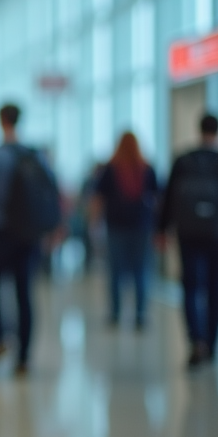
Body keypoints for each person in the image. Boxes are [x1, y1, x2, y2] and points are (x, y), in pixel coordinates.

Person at [0, 103, 59, 376]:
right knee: (25, 294)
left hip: (0, 233)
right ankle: (24, 357)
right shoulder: (35, 155)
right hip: (29, 234)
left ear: (1, 120)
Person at [158, 113, 218, 368]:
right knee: (214, 289)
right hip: (216, 233)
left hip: (188, 233)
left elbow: (168, 197)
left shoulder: (183, 161)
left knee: (191, 286)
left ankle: (196, 340)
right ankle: (210, 342)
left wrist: (162, 230)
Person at [91, 132, 158, 330]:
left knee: (115, 272)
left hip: (116, 225)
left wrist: (95, 224)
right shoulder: (147, 169)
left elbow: (97, 199)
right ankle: (140, 315)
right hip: (141, 225)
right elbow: (157, 199)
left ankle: (115, 313)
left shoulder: (110, 169)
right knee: (141, 271)